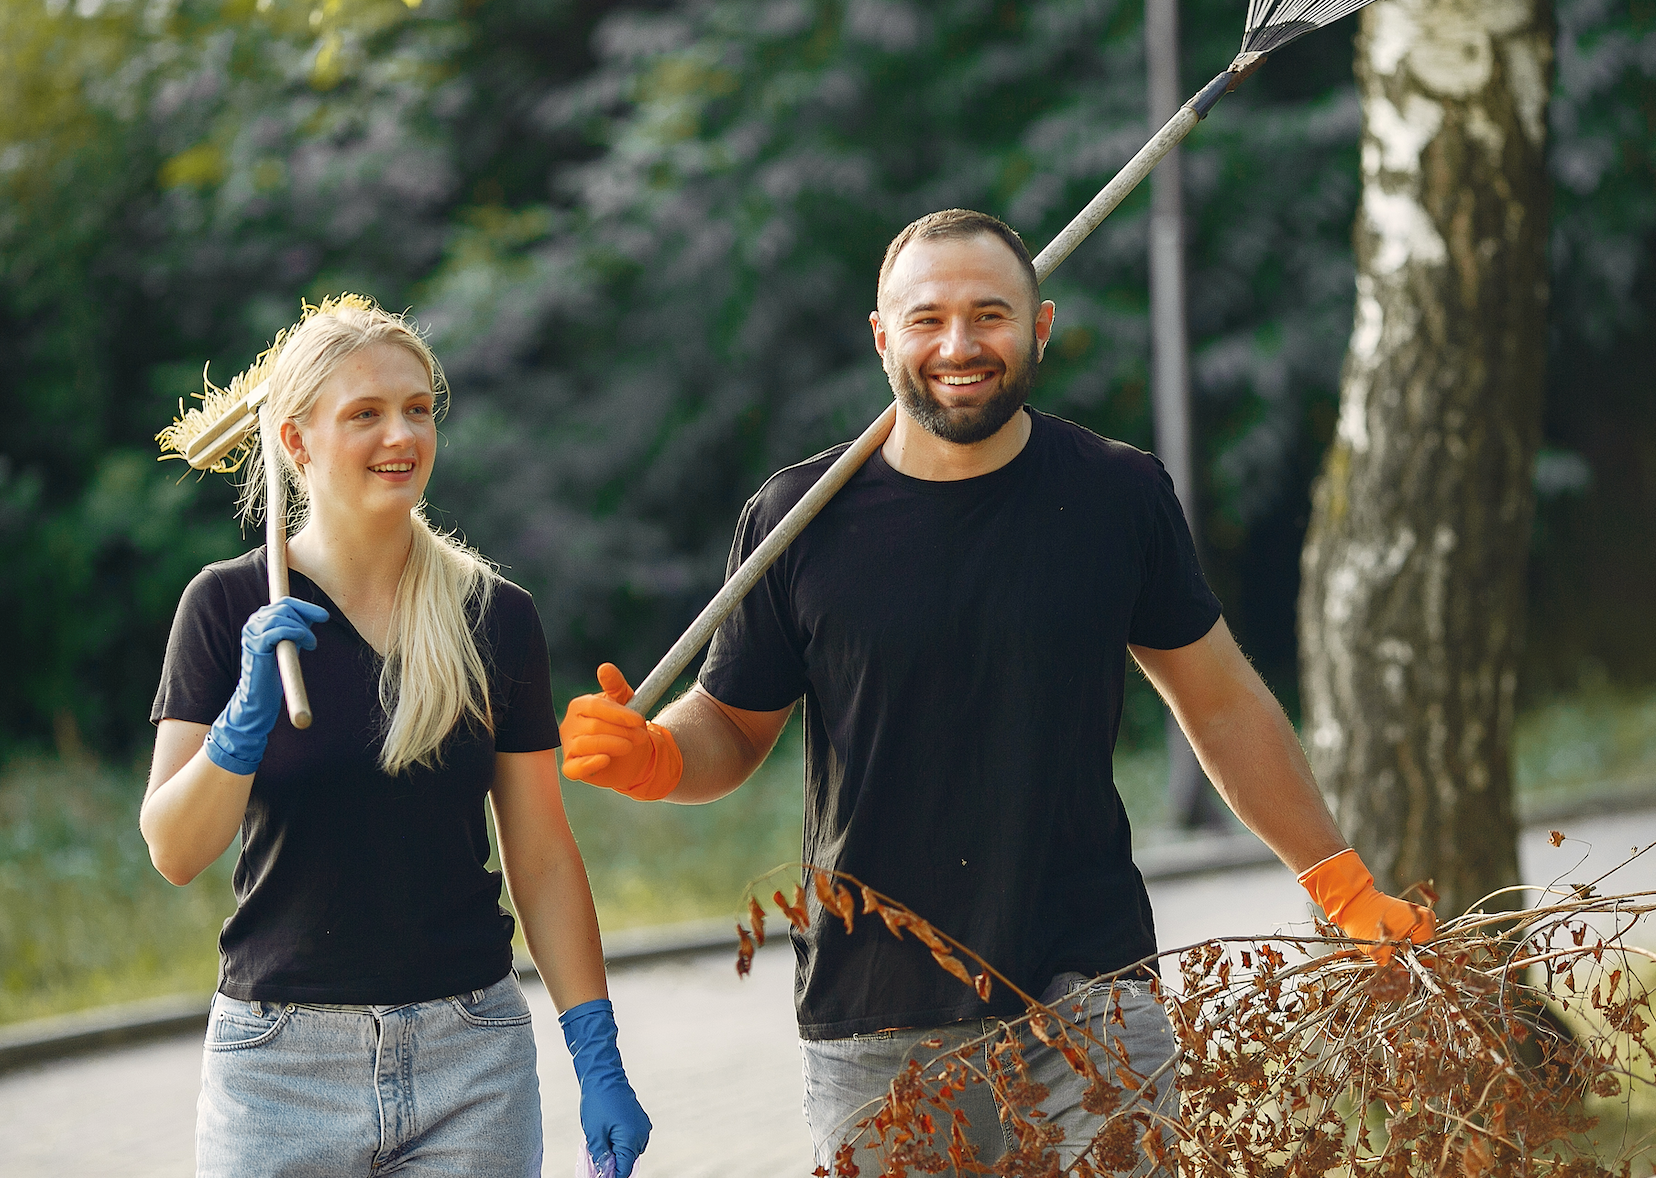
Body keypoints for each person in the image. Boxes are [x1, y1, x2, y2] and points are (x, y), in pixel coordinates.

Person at [558, 209, 1435, 1173]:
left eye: (990, 315)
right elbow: (729, 723)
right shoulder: (798, 518)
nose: (959, 345)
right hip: (874, 1011)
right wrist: (660, 758)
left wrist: (1338, 882)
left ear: (1041, 326)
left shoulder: (1116, 494)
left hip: (1089, 984)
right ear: (882, 336)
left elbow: (1220, 702)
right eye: (927, 319)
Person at [142, 295, 651, 1178]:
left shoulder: (494, 615)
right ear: (295, 443)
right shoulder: (226, 606)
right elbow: (174, 851)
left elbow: (540, 855)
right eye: (366, 415)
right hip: (278, 1070)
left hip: (472, 1059)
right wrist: (238, 728)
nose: (402, 437)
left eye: (419, 409)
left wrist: (595, 1053)